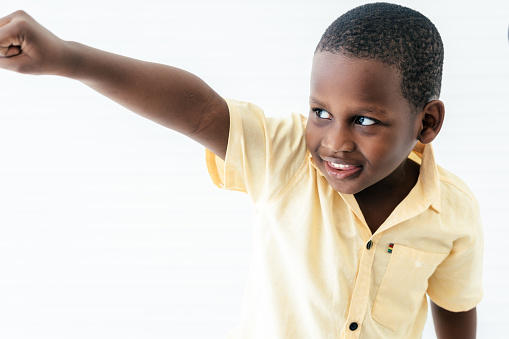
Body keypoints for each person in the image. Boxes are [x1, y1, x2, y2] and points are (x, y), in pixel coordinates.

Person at [0, 3, 483, 339]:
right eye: (320, 112)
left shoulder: (454, 211)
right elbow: (202, 112)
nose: (334, 141)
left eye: (364, 120)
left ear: (427, 122)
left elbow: (455, 301)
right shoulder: (286, 155)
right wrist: (70, 58)